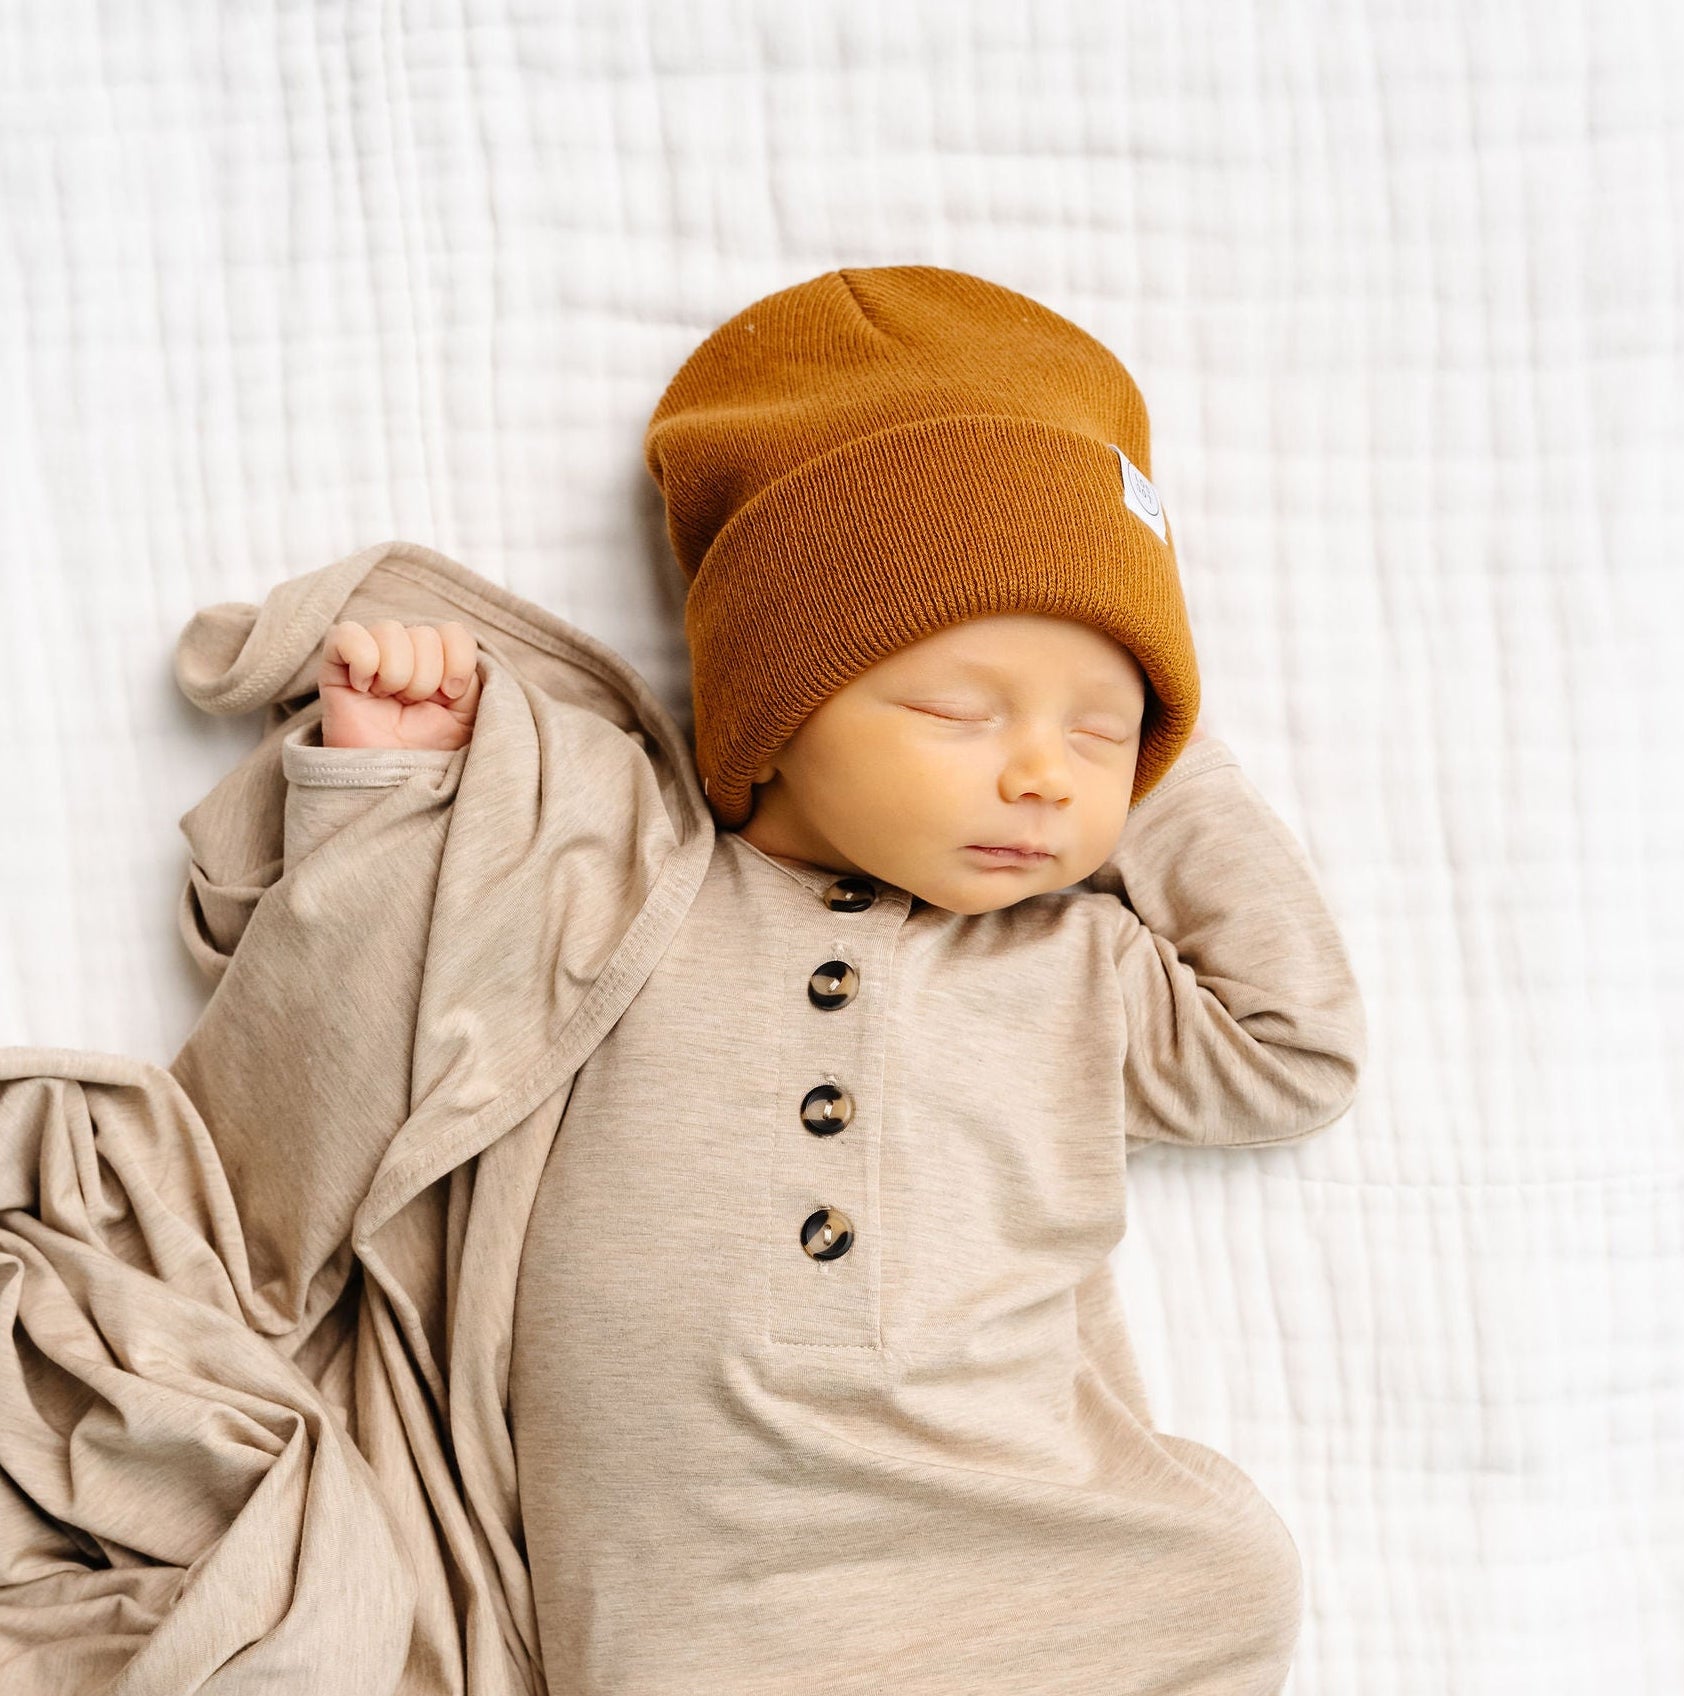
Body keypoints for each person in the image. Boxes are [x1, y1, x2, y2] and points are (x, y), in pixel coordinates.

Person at [289, 265, 1369, 1692]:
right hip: (703, 1570)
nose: (1042, 771)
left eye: (1103, 735)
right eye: (956, 709)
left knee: (1229, 1576)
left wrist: (1163, 773)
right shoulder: (634, 876)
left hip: (1007, 1515)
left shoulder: (1077, 968)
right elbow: (384, 1003)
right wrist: (386, 779)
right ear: (777, 715)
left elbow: (1299, 1055)